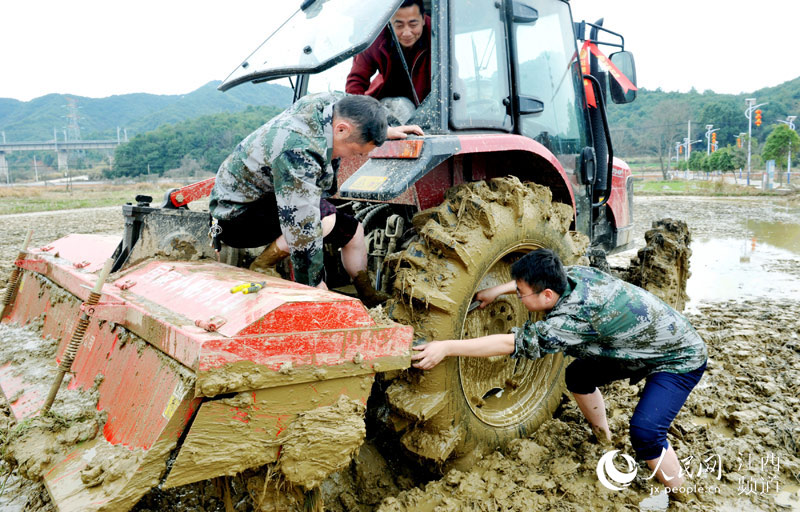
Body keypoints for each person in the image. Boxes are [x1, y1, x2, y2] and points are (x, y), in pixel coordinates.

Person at [411, 249, 707, 501]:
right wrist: (496, 290)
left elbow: (509, 343)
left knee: (645, 433)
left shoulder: (572, 319)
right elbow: (537, 281)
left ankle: (681, 492)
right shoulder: (573, 275)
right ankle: (603, 436)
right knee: (578, 375)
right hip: (633, 345)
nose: (518, 297)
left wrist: (447, 347)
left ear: (548, 295)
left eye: (520, 294)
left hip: (678, 357)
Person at [209, 92, 422, 307]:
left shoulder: (331, 105)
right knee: (323, 217)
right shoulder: (298, 150)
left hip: (269, 199)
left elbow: (357, 102)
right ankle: (263, 265)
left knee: (353, 230)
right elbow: (302, 225)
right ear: (341, 129)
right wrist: (314, 283)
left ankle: (367, 294)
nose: (356, 157)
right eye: (356, 151)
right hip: (236, 217)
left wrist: (384, 129)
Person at [345, 0, 431, 106]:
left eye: (413, 25)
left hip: (427, 105)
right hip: (386, 100)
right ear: (389, 22)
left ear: (423, 19)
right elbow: (357, 79)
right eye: (399, 26)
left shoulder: (438, 37)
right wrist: (354, 111)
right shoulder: (375, 38)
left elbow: (449, 78)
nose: (407, 33)